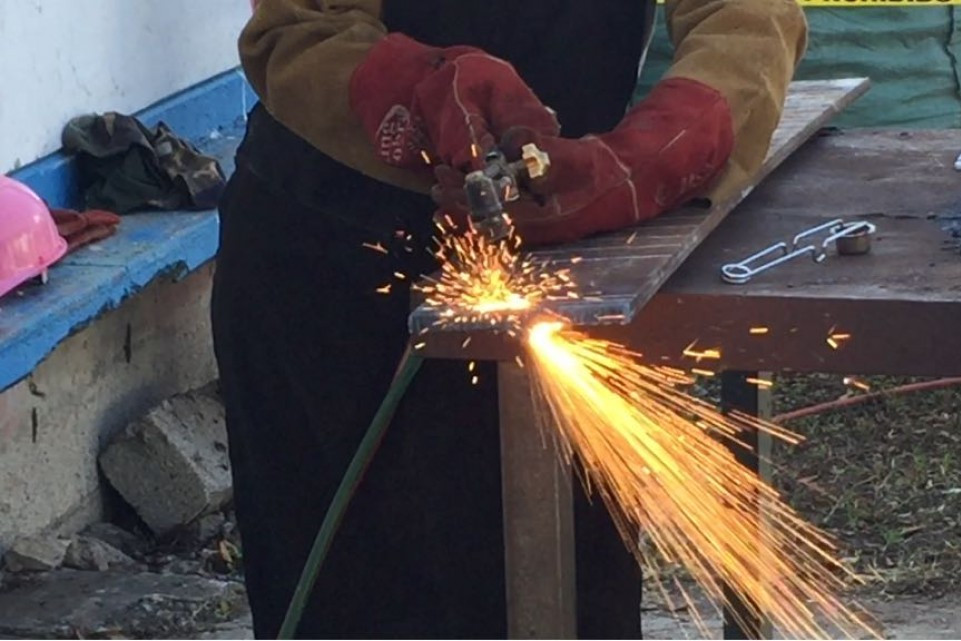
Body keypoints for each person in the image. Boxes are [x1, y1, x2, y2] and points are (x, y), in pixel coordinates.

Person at [211, 0, 807, 637]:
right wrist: (417, 84)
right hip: (327, 272)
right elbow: (297, 27)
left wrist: (675, 140)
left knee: (571, 607)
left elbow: (746, 15)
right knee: (349, 609)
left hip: (566, 242)